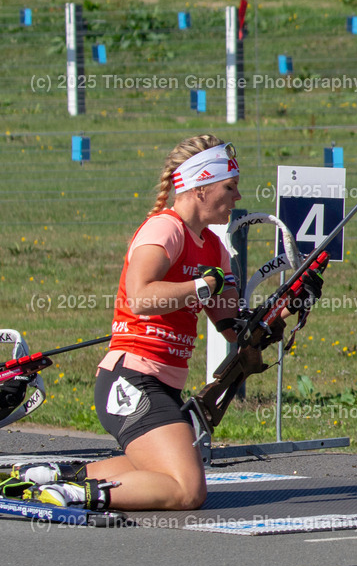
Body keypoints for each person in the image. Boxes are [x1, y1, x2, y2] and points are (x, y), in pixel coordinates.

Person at [13, 135, 245, 511]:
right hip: (131, 378)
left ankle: (52, 476)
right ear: (200, 188)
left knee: (164, 471)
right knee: (187, 490)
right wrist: (203, 286)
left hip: (162, 383)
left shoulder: (214, 248)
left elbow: (235, 327)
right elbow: (140, 298)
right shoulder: (164, 229)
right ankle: (74, 495)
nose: (237, 197)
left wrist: (287, 310)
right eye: (229, 187)